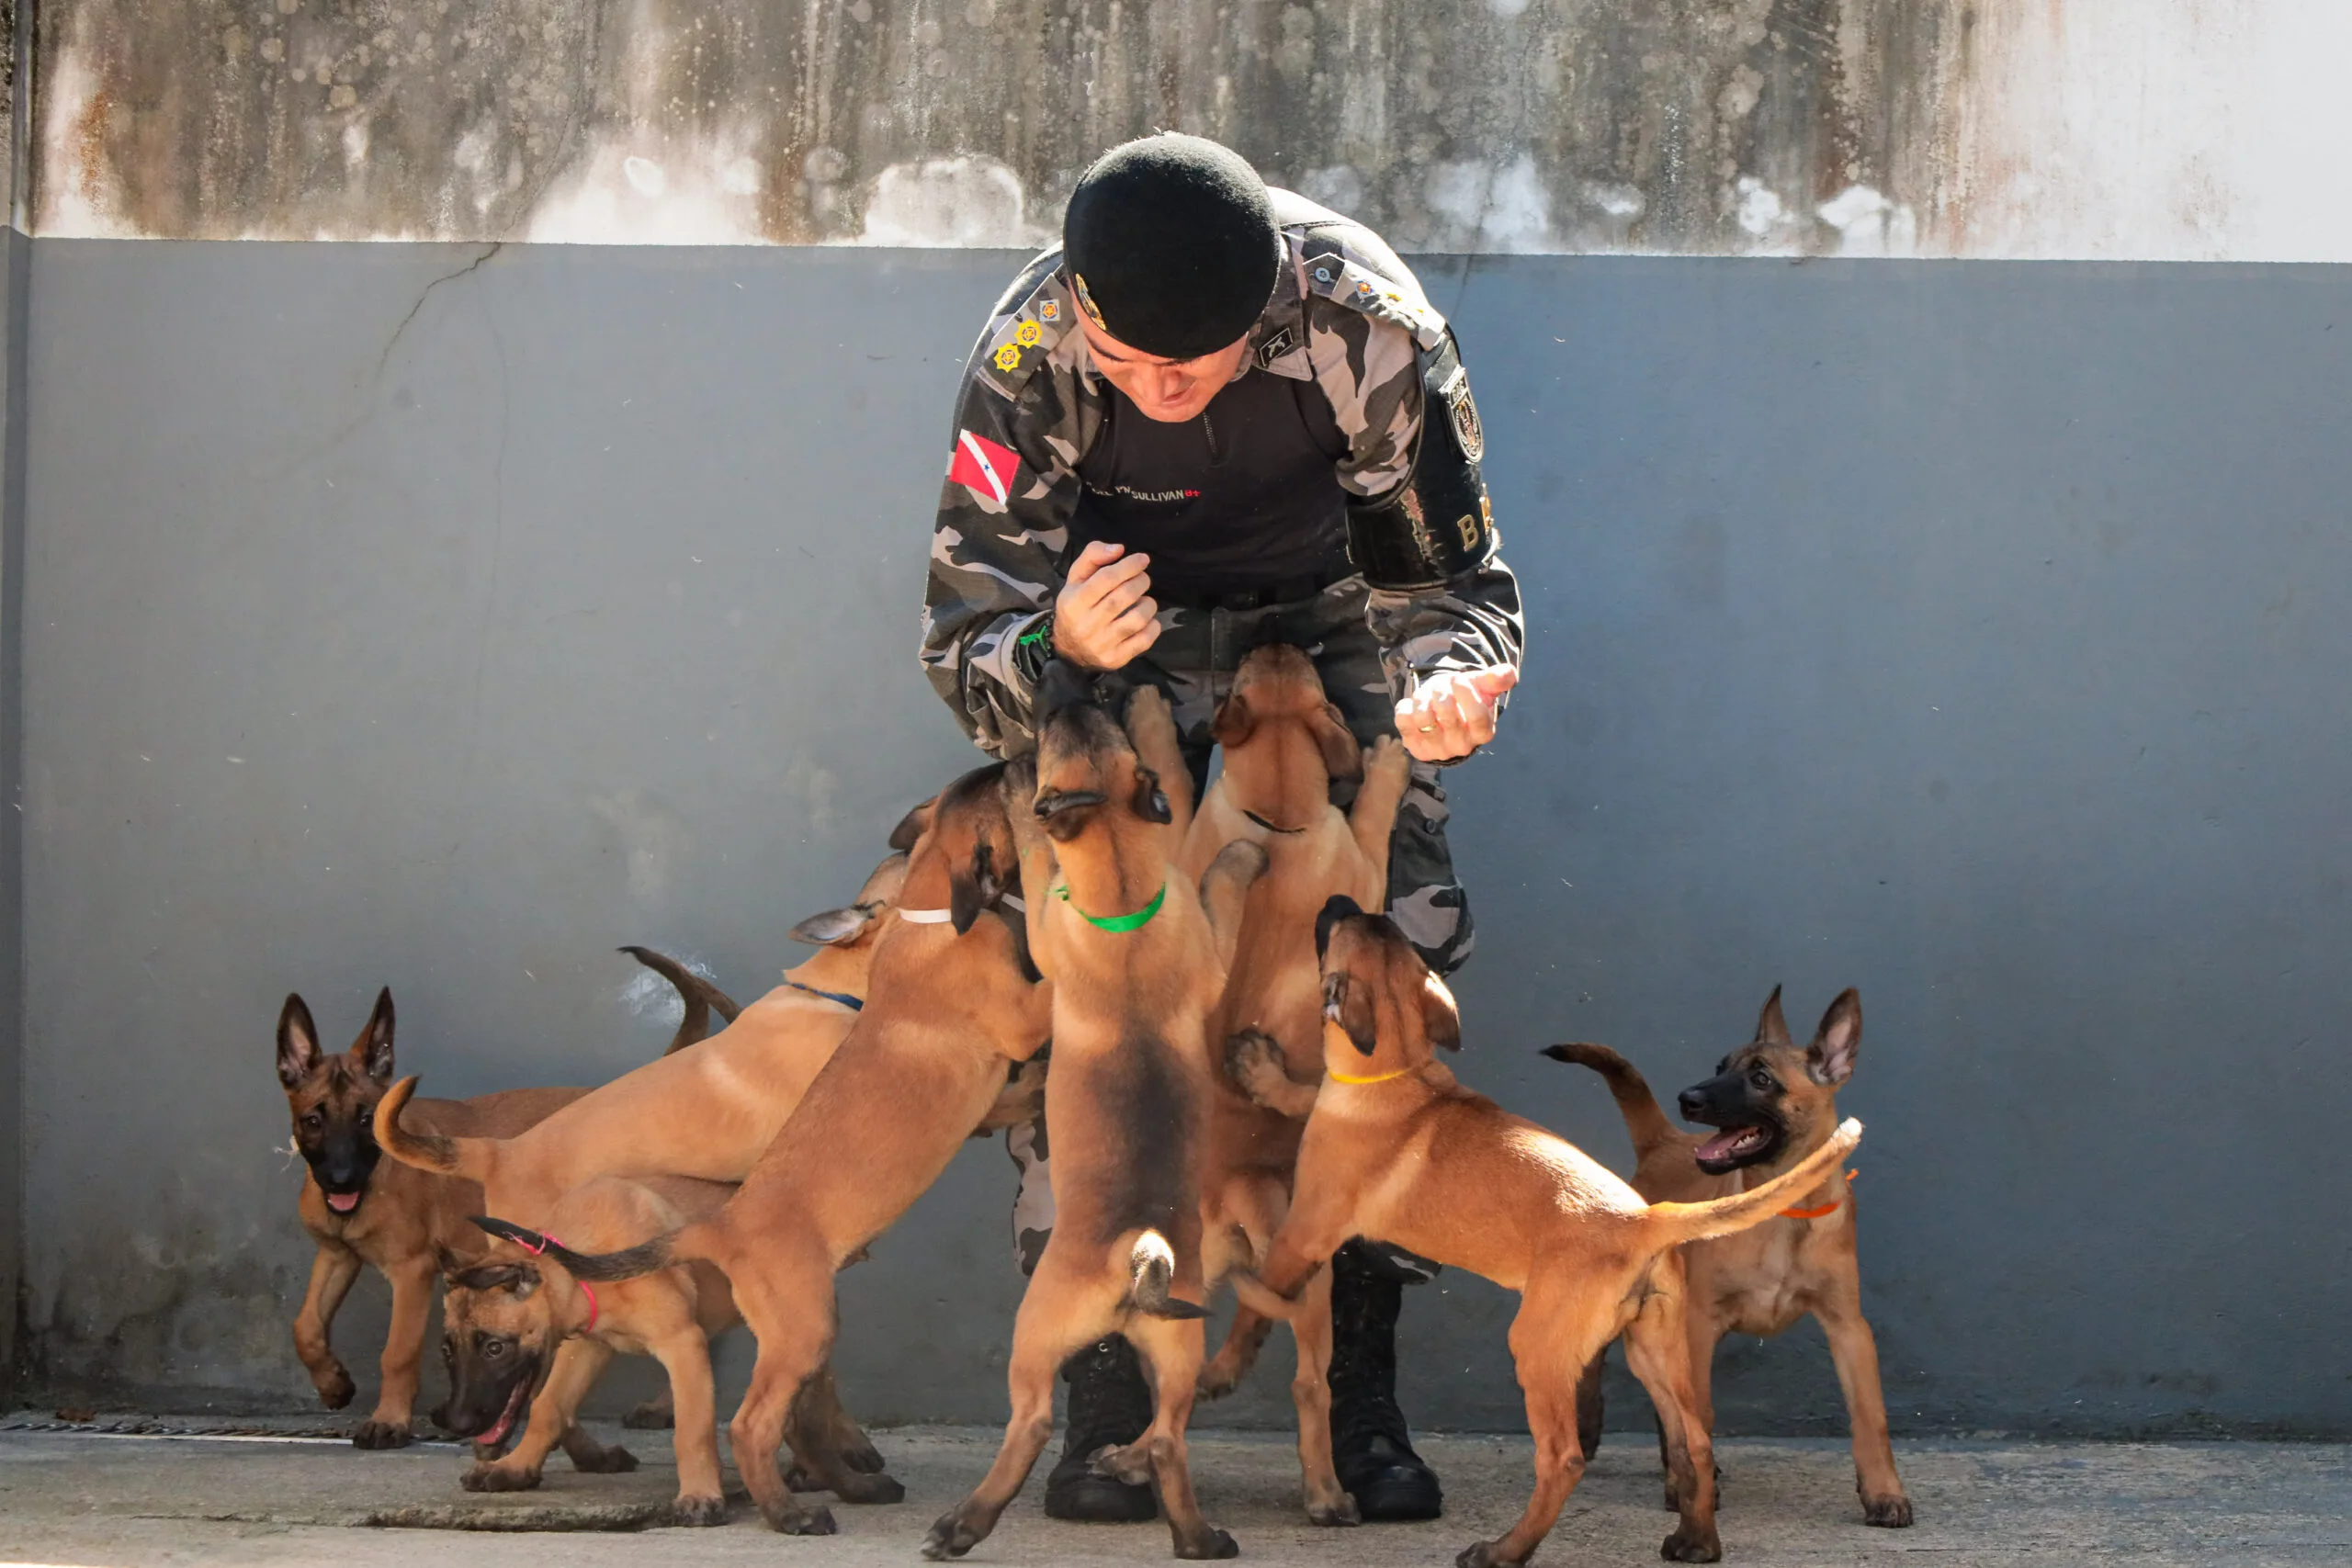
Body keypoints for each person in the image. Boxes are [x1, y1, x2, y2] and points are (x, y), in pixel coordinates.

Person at [919, 133, 1524, 1525]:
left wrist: (1446, 685)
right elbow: (962, 647)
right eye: (1125, 364)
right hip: (1109, 621)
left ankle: (1361, 1390)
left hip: (1332, 608)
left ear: (1263, 317)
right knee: (1084, 977)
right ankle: (1105, 1398)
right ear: (1079, 305)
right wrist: (1050, 638)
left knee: (1397, 952)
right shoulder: (1027, 359)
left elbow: (1453, 583)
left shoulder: (1367, 325)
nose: (1155, 390)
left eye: (1188, 369)